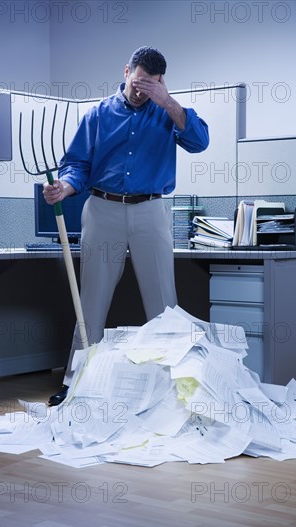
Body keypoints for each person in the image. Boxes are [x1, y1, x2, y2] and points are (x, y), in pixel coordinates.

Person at [44, 46, 209, 406]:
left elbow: (199, 141)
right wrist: (65, 188)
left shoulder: (168, 111)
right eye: (137, 83)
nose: (141, 91)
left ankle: (175, 388)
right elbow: (77, 165)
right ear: (125, 72)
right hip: (103, 210)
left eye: (149, 85)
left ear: (161, 82)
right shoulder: (97, 115)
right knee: (91, 302)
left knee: (165, 304)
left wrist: (168, 103)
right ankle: (75, 383)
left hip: (151, 211)